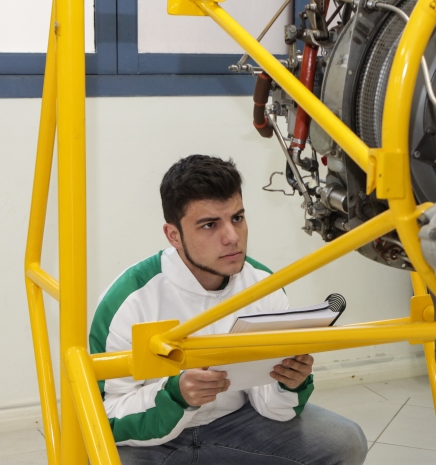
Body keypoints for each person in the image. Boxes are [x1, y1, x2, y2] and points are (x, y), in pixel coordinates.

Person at [89, 154, 368, 465]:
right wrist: (176, 396)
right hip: (149, 443)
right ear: (173, 235)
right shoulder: (130, 299)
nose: (232, 238)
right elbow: (105, 415)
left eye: (237, 218)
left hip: (236, 424)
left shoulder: (264, 285)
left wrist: (289, 381)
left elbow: (272, 406)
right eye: (210, 225)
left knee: (345, 442)